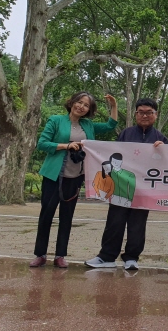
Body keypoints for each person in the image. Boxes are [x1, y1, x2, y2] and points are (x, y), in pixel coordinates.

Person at [30, 92, 118, 268]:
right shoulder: (56, 120)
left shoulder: (88, 125)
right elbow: (42, 144)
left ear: (88, 110)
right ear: (71, 103)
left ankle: (60, 255)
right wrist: (65, 146)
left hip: (75, 177)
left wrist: (114, 106)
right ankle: (40, 254)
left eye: (86, 105)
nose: (81, 107)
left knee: (67, 217)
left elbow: (110, 126)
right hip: (53, 176)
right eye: (79, 102)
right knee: (46, 214)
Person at [85, 98, 168, 270]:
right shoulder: (126, 133)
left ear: (155, 115)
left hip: (144, 191)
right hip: (120, 187)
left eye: (149, 112)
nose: (145, 116)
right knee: (115, 222)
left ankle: (131, 258)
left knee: (138, 224)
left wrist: (164, 149)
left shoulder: (161, 138)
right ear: (136, 114)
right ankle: (106, 257)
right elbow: (113, 155)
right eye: (141, 112)